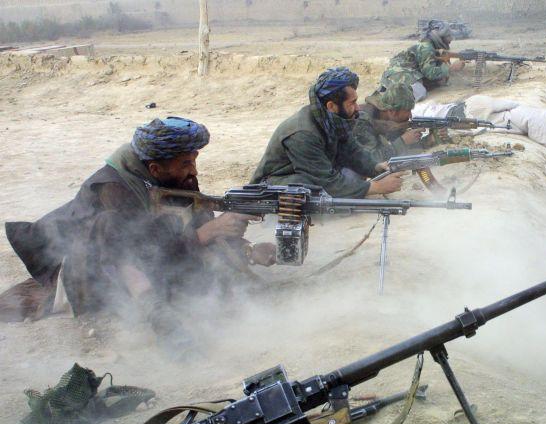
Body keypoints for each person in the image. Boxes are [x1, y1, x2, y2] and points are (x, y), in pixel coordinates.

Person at [0, 117, 276, 354]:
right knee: (111, 226)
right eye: (185, 163)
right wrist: (201, 237)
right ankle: (158, 317)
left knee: (213, 281)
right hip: (88, 272)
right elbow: (139, 252)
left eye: (194, 160)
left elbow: (198, 223)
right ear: (155, 169)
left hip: (152, 258)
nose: (193, 170)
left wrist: (245, 250)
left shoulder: (174, 177)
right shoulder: (112, 188)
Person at [250, 67, 404, 198]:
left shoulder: (335, 120)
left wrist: (376, 168)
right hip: (271, 186)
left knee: (348, 177)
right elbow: (325, 182)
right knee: (310, 186)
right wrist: (375, 187)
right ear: (331, 106)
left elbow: (353, 152)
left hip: (313, 175)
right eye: (352, 103)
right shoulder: (303, 134)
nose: (357, 108)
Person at [413, 96, 546, 158]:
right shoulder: (417, 108)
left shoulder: (412, 114)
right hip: (468, 106)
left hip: (463, 114)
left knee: (516, 121)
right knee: (519, 115)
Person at [353, 82, 449, 164]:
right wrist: (403, 141)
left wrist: (429, 141)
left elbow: (402, 153)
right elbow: (372, 160)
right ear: (392, 111)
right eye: (407, 111)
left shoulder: (389, 120)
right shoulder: (362, 121)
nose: (410, 115)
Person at [380, 20, 465, 102]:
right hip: (400, 74)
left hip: (403, 74)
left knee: (437, 82)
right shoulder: (426, 47)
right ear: (440, 36)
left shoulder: (429, 45)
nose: (451, 39)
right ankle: (391, 99)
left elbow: (431, 58)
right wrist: (450, 68)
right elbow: (430, 73)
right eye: (448, 36)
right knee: (420, 93)